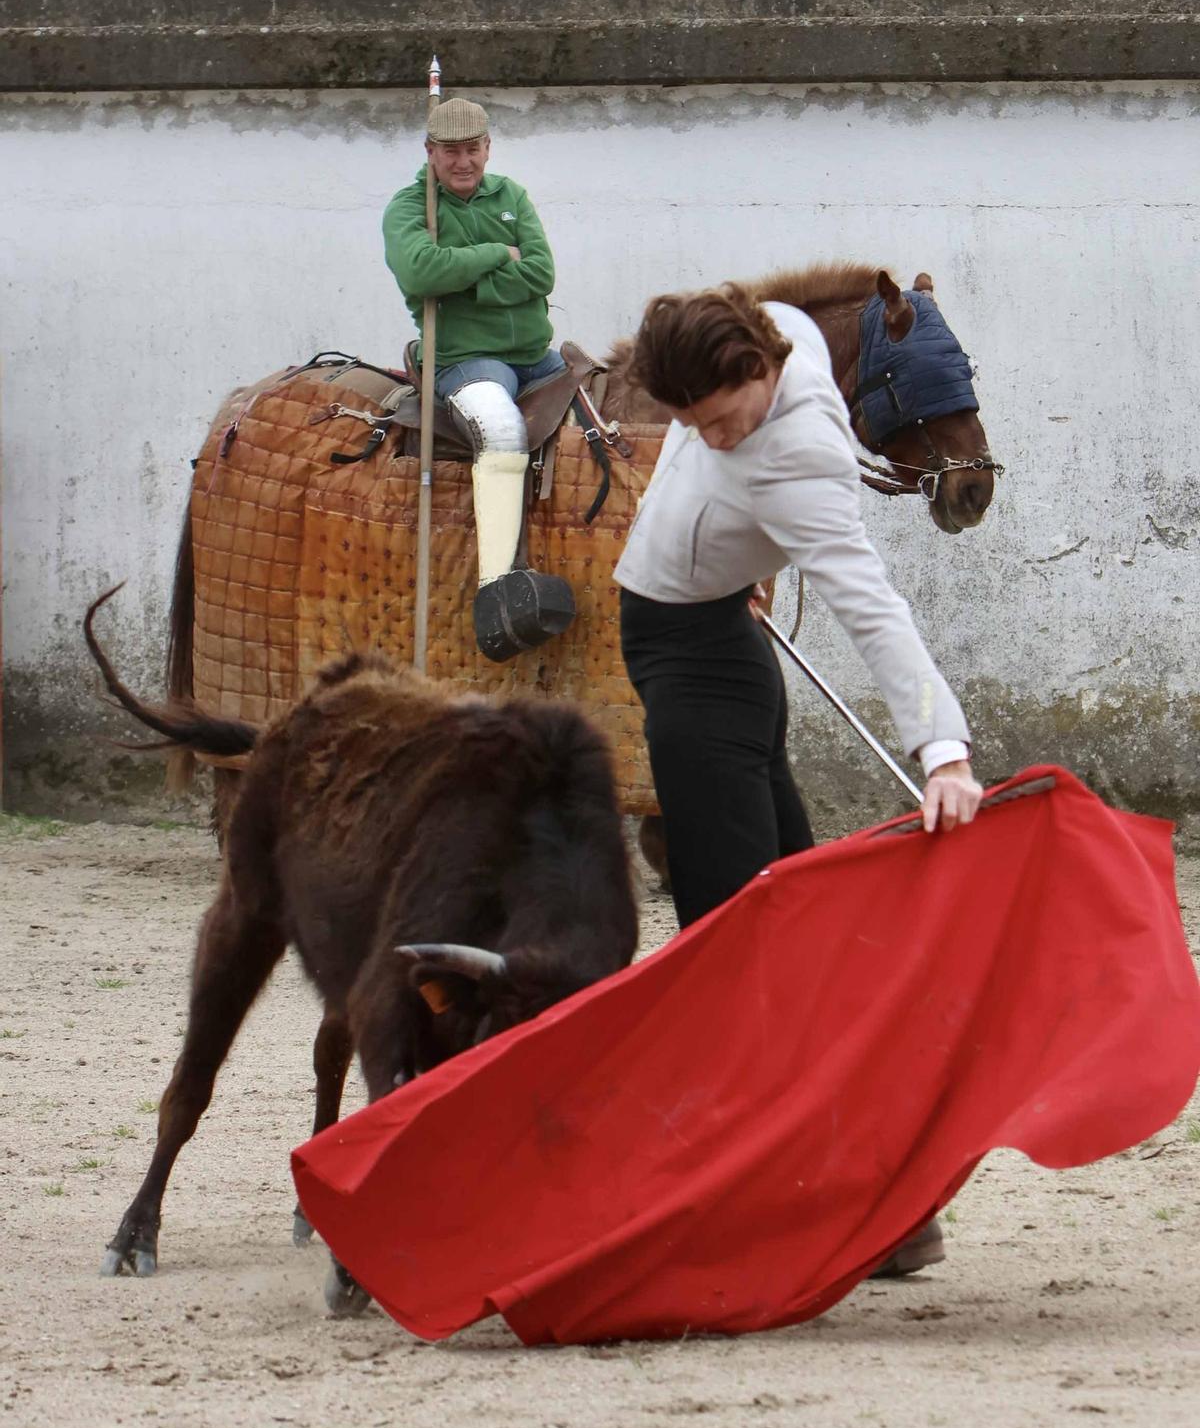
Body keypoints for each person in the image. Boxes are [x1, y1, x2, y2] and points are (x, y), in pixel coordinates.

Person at [615, 284, 984, 933]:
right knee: (785, 892)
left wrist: (944, 752)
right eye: (693, 424)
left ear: (760, 368)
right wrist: (744, 559)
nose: (713, 442)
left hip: (691, 663)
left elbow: (871, 606)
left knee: (732, 923)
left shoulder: (805, 459)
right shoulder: (781, 327)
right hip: (728, 634)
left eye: (722, 422)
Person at [382, 97, 572, 660]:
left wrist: (464, 277)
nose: (463, 163)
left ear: (487, 148)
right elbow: (419, 271)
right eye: (450, 152)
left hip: (537, 356)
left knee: (605, 415)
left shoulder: (511, 194)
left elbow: (542, 272)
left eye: (472, 150)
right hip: (466, 356)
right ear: (430, 153)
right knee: (503, 429)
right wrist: (495, 254)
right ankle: (496, 590)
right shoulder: (408, 207)